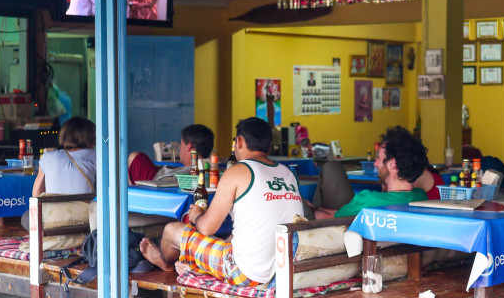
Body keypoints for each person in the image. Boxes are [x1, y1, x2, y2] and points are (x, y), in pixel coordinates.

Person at [139, 117, 304, 286]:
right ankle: (192, 263)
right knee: (227, 237)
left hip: (245, 273)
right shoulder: (287, 174)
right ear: (268, 145)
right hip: (280, 269)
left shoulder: (238, 171)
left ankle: (164, 262)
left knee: (171, 230)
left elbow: (206, 228)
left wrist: (197, 216)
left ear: (239, 142)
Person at [310, 126, 429, 219]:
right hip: (394, 247)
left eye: (380, 159)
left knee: (330, 169)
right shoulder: (421, 197)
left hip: (339, 238)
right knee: (332, 167)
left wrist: (311, 209)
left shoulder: (368, 200)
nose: (376, 163)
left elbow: (329, 219)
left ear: (393, 164)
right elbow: (343, 214)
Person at [127, 123, 214, 186]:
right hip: (162, 176)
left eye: (182, 144)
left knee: (135, 156)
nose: (180, 148)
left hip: (156, 183)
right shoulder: (211, 171)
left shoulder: (191, 174)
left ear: (189, 146)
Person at [32, 117, 97, 197]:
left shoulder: (47, 158)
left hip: (53, 209)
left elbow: (36, 194)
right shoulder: (96, 156)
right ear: (89, 138)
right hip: (86, 209)